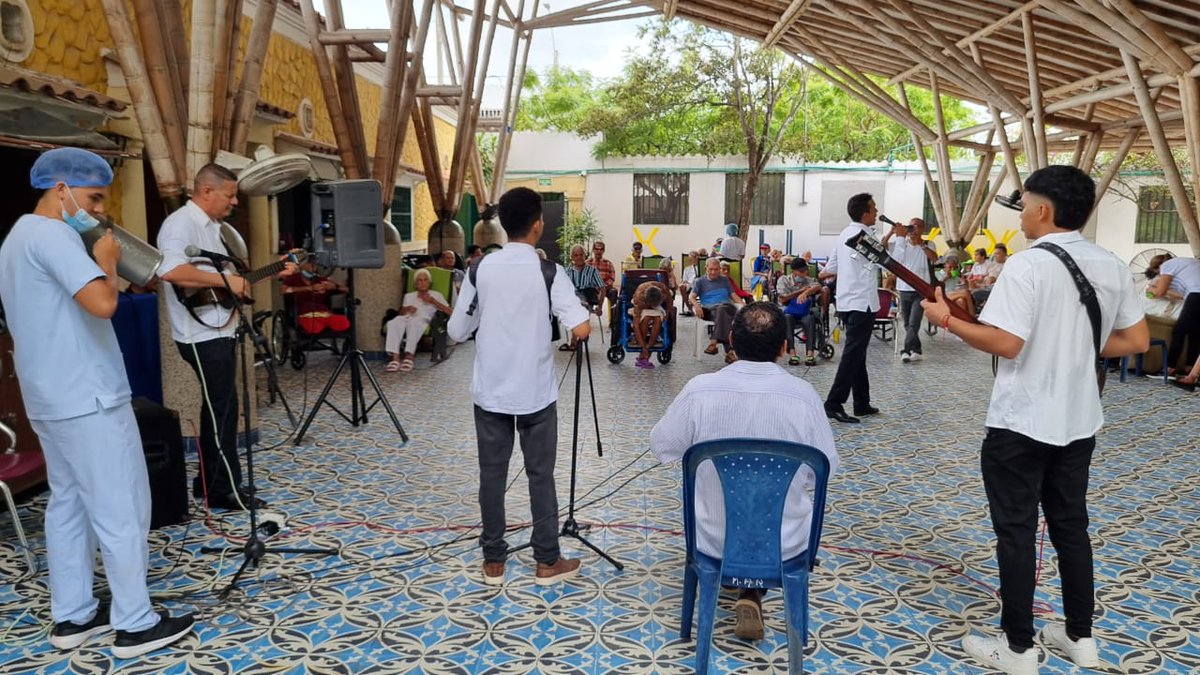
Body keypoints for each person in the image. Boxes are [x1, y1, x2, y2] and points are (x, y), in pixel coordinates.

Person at [922, 165, 1148, 675]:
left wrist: (948, 321)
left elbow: (1006, 343)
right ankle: (1079, 637)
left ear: (1043, 210)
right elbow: (1133, 342)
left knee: (1017, 533)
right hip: (1079, 421)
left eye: (1023, 204)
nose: (1021, 214)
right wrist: (1071, 347)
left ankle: (1019, 649)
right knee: (1072, 528)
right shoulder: (1111, 265)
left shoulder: (1027, 266)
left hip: (1020, 422)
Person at [0, 148, 194, 658]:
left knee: (68, 505)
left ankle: (74, 615)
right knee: (121, 506)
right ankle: (135, 622)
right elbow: (103, 304)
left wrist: (104, 266)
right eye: (91, 198)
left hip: (48, 396)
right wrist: (106, 264)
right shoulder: (53, 235)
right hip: (87, 397)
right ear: (59, 189)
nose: (97, 211)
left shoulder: (17, 235)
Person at [650, 302, 838, 641]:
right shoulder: (805, 397)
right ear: (785, 347)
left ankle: (735, 586)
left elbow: (663, 446)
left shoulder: (700, 389)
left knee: (723, 506)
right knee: (774, 505)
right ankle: (753, 591)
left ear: (732, 340)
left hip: (712, 540)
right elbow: (823, 471)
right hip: (785, 545)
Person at [447, 187, 591, 587]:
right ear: (538, 224)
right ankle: (547, 561)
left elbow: (457, 330)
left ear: (503, 226)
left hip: (490, 392)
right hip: (535, 396)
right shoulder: (549, 272)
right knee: (539, 476)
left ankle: (494, 561)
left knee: (491, 476)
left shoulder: (479, 269)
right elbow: (579, 327)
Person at [158, 163, 296, 511]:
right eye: (230, 195)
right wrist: (226, 282)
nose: (234, 202)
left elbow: (234, 281)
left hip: (220, 327)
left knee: (217, 409)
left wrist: (275, 269)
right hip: (200, 335)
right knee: (224, 410)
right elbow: (171, 270)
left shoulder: (214, 229)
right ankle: (225, 490)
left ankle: (209, 481)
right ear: (206, 191)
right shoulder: (181, 224)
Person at [822, 193, 882, 424]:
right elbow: (879, 259)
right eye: (874, 208)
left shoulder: (843, 235)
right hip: (861, 301)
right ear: (864, 213)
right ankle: (834, 403)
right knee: (852, 354)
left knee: (858, 352)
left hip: (848, 300)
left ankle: (861, 402)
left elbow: (830, 267)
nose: (877, 212)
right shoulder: (862, 235)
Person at [882, 217, 937, 363]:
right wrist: (891, 233)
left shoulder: (928, 244)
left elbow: (934, 258)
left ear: (923, 230)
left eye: (917, 226)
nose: (913, 229)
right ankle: (916, 350)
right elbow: (883, 246)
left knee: (914, 322)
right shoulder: (901, 244)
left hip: (921, 289)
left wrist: (922, 246)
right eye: (911, 226)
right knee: (907, 323)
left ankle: (905, 351)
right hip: (903, 289)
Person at [384, 268, 451, 372]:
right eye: (420, 280)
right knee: (393, 323)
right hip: (406, 317)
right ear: (415, 284)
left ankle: (409, 356)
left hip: (422, 319)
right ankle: (395, 358)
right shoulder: (409, 296)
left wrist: (434, 302)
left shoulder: (436, 295)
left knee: (414, 323)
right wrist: (407, 309)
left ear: (429, 282)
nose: (423, 283)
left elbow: (450, 312)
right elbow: (401, 312)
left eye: (425, 280)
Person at [1147, 253, 1200, 375]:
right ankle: (1190, 367)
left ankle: (1169, 367)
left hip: (1196, 294)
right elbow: (1181, 294)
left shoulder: (1167, 265)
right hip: (1195, 294)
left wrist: (1151, 290)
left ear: (1158, 268)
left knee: (1179, 331)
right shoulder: (1185, 262)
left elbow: (1160, 292)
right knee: (1195, 332)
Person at [690, 257, 742, 362]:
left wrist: (743, 305)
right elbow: (691, 296)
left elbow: (733, 295)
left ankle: (714, 342)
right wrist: (696, 305)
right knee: (722, 316)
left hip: (728, 307)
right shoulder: (699, 281)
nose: (713, 272)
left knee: (722, 309)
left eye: (716, 269)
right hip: (710, 311)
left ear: (719, 269)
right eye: (710, 269)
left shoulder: (725, 280)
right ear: (706, 268)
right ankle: (729, 352)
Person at [280, 261, 350, 334]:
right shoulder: (293, 278)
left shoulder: (320, 280)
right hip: (304, 314)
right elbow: (283, 290)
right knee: (314, 326)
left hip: (324, 313)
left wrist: (335, 287)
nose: (312, 267)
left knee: (343, 322)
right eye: (309, 263)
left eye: (314, 264)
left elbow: (348, 290)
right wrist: (309, 288)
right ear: (301, 266)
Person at [777, 257, 823, 366]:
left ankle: (810, 354)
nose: (804, 274)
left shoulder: (808, 280)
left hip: (804, 311)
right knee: (787, 319)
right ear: (793, 271)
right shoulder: (784, 280)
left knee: (810, 318)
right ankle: (793, 353)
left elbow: (818, 286)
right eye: (801, 271)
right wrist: (799, 291)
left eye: (805, 270)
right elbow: (783, 298)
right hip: (789, 311)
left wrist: (806, 292)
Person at [631, 280, 668, 369]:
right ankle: (644, 349)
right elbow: (636, 325)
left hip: (658, 304)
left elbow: (670, 304)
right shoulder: (639, 299)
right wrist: (643, 347)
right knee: (646, 318)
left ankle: (650, 346)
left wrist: (667, 315)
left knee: (658, 318)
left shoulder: (664, 290)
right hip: (641, 305)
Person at [565, 243, 605, 316]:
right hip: (572, 300)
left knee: (582, 305)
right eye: (576, 255)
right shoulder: (567, 271)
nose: (579, 257)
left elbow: (602, 288)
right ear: (572, 257)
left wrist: (600, 306)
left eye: (581, 255)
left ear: (585, 255)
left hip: (587, 300)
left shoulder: (592, 271)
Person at [938, 253, 976, 318]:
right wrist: (946, 277)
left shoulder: (956, 277)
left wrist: (964, 282)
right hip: (943, 295)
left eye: (954, 267)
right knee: (966, 293)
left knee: (961, 301)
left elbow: (963, 287)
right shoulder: (938, 274)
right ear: (945, 265)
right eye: (950, 267)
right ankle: (972, 317)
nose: (952, 269)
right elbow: (936, 286)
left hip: (955, 296)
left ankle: (962, 322)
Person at [587, 240, 618, 319]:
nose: (599, 251)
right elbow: (584, 278)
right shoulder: (587, 263)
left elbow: (612, 278)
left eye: (601, 249)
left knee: (614, 292)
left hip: (605, 288)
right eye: (597, 249)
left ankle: (613, 322)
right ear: (593, 250)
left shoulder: (608, 263)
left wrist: (602, 286)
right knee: (584, 292)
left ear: (603, 251)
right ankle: (585, 320)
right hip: (592, 288)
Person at [679, 251, 699, 316]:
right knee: (681, 286)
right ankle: (689, 308)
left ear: (696, 258)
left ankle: (692, 307)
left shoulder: (702, 268)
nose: (690, 260)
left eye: (691, 259)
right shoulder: (687, 269)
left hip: (699, 284)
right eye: (689, 259)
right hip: (689, 284)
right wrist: (684, 283)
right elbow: (684, 280)